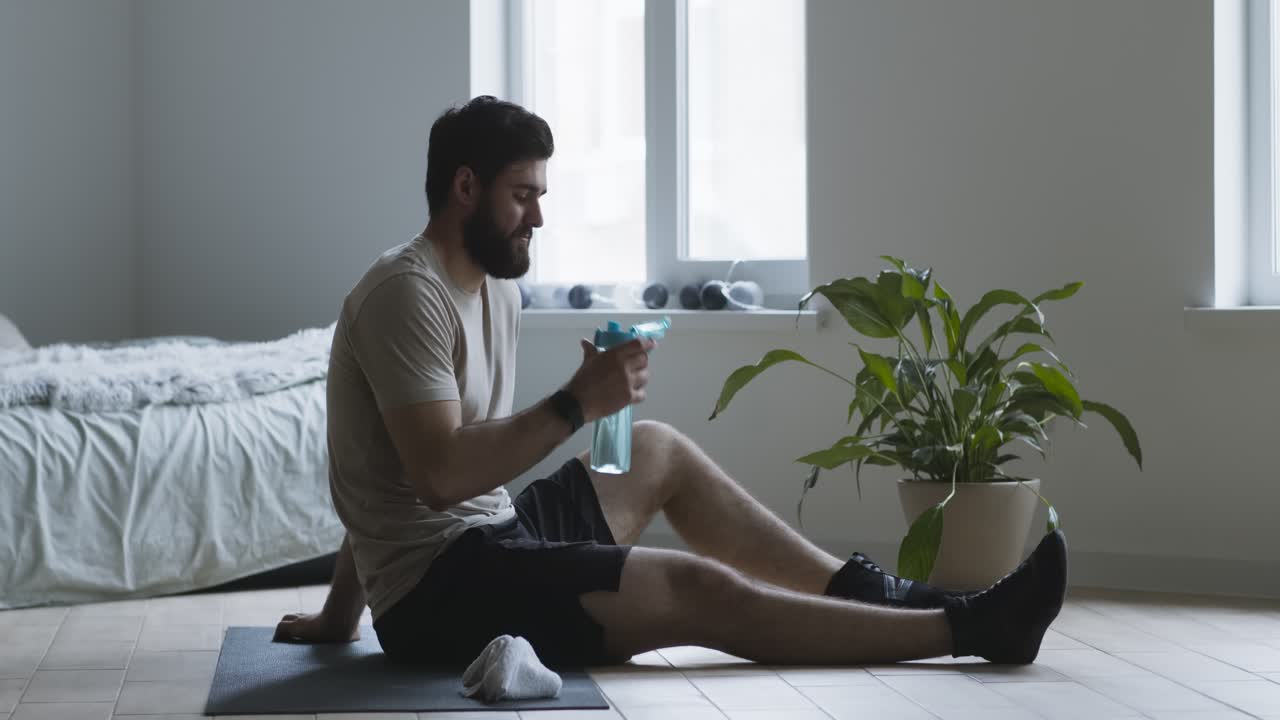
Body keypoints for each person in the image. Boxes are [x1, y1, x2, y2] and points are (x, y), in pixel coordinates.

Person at [275, 95, 1067, 668]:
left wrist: (337, 618)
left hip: (497, 535)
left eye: (542, 198)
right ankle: (968, 629)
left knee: (654, 450)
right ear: (464, 188)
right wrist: (576, 403)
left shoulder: (495, 289)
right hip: (439, 597)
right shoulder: (404, 294)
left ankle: (876, 594)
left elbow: (374, 473)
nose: (538, 220)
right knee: (694, 588)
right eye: (523, 197)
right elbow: (436, 474)